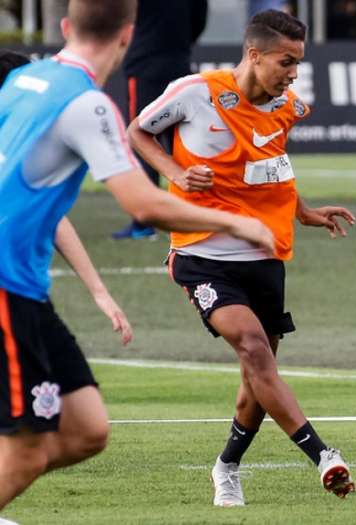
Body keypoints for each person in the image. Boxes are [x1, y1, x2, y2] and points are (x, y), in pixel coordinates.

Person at [0, 0, 274, 511]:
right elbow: (144, 205)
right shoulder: (87, 104)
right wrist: (233, 220)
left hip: (27, 289)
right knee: (27, 446)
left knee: (86, 430)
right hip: (5, 285)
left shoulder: (24, 80)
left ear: (64, 26)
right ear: (128, 36)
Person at [127, 9, 356, 506]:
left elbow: (272, 167)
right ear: (254, 54)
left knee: (258, 374)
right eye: (286, 62)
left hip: (264, 255)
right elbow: (137, 133)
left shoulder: (286, 108)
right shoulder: (196, 92)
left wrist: (304, 211)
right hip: (200, 253)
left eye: (298, 62)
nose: (293, 73)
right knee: (253, 348)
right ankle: (324, 456)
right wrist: (176, 173)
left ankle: (227, 465)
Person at [0, 49, 133, 348]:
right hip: (11, 291)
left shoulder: (15, 148)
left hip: (29, 293)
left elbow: (54, 220)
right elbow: (142, 204)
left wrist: (99, 292)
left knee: (82, 393)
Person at [112, 0, 208, 240]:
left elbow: (123, 17)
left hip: (145, 64)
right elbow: (199, 23)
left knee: (141, 140)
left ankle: (144, 221)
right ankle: (199, 215)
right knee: (185, 145)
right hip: (178, 64)